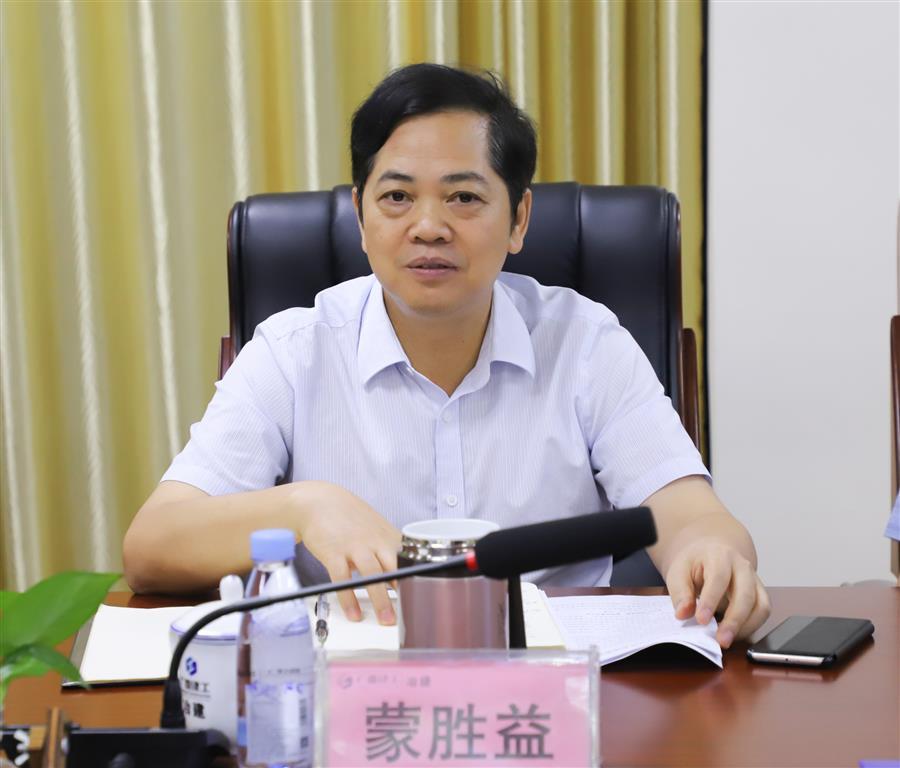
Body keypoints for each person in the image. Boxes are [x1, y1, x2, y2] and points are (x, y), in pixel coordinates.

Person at [124, 63, 770, 649]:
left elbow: (691, 516)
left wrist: (711, 553)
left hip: (555, 687)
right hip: (350, 691)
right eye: (397, 197)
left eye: (463, 198)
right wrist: (305, 507)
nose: (429, 226)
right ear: (360, 217)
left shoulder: (585, 343)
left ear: (519, 220)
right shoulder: (294, 352)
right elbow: (151, 548)